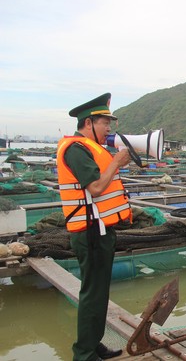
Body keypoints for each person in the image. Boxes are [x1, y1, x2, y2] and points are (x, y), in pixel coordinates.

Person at [57, 93, 131, 361]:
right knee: (92, 294)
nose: (109, 128)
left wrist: (113, 163)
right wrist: (115, 163)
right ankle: (84, 353)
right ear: (88, 123)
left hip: (99, 230)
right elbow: (97, 187)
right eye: (104, 123)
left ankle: (93, 344)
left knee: (99, 294)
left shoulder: (89, 148)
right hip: (88, 232)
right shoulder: (76, 149)